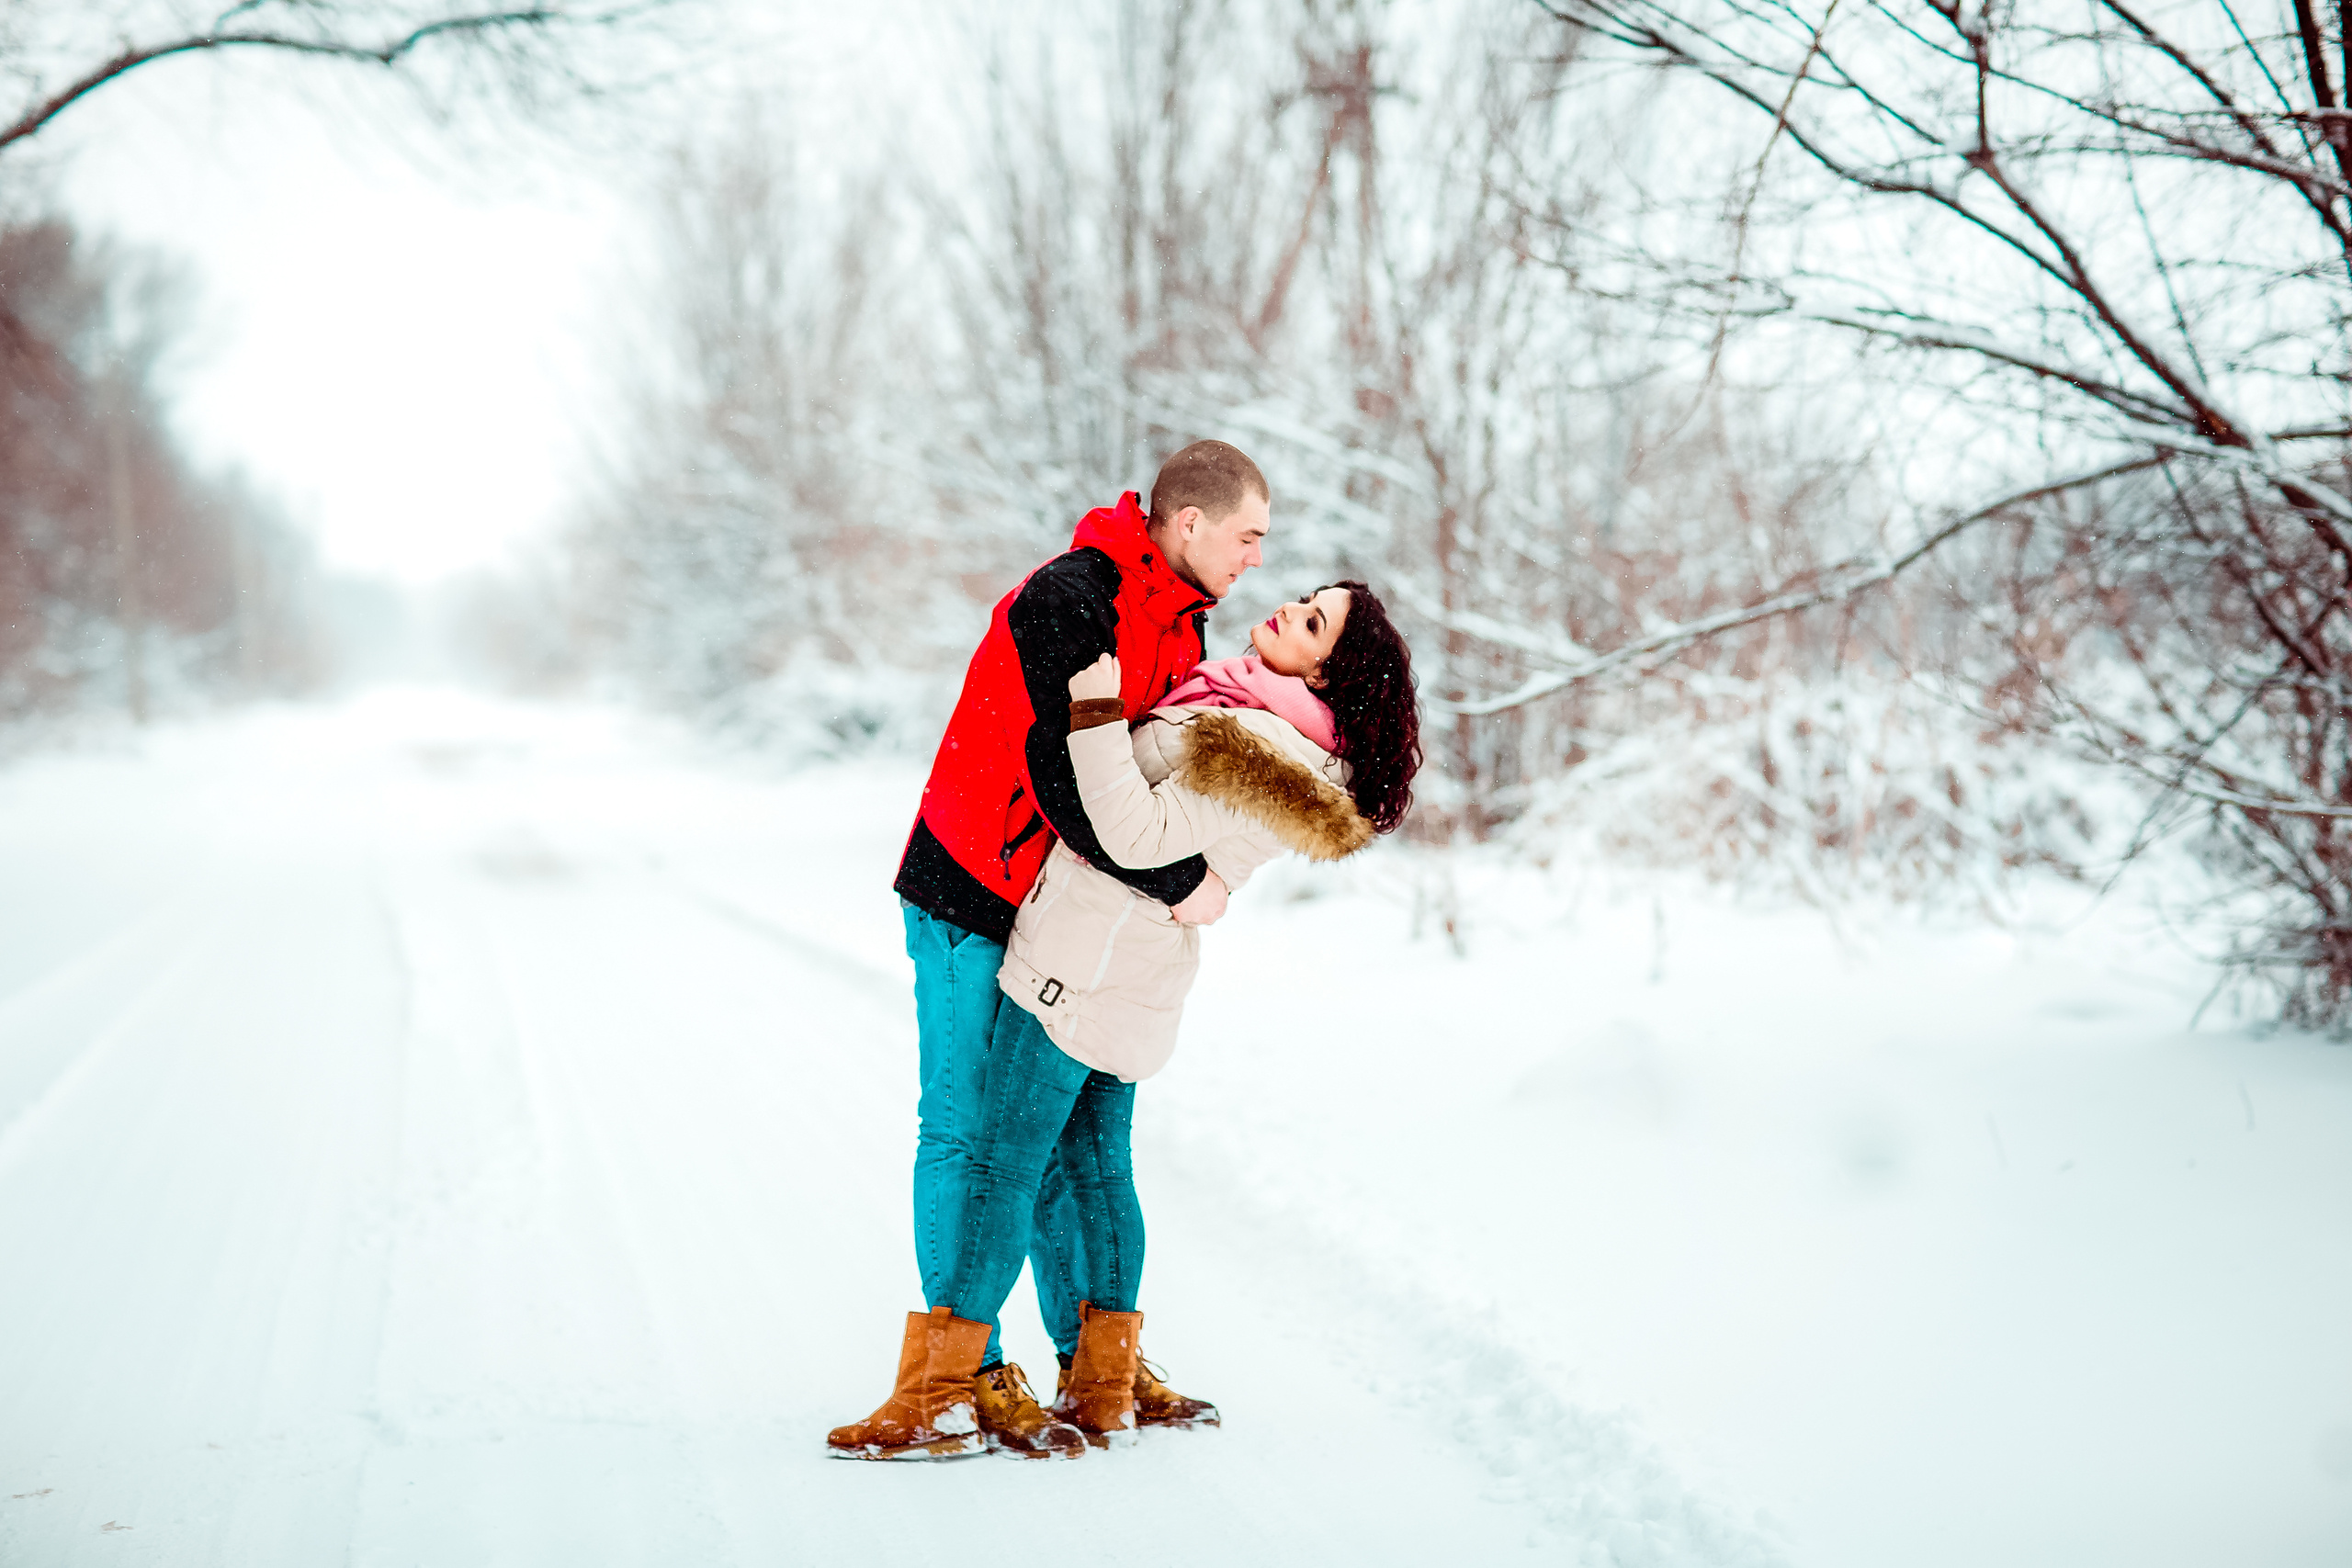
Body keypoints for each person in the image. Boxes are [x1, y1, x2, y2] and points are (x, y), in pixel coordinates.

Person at [829, 578, 1421, 1457]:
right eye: (1302, 598)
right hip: (1133, 965)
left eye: (1311, 621)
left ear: (1329, 676)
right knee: (1098, 1167)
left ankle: (938, 1393)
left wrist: (1097, 710)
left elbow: (1131, 831)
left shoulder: (1252, 740)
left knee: (1003, 1163)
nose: (1284, 608)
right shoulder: (1267, 728)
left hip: (1081, 960)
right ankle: (1102, 1385)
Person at [827, 441, 1270, 1461]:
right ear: (1189, 523)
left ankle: (1088, 1365)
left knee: (1063, 1137)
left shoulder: (1178, 612)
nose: (1255, 559)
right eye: (1247, 536)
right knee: (966, 1126)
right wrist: (1179, 884)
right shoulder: (1071, 599)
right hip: (968, 886)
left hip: (1046, 905)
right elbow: (1071, 782)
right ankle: (959, 1378)